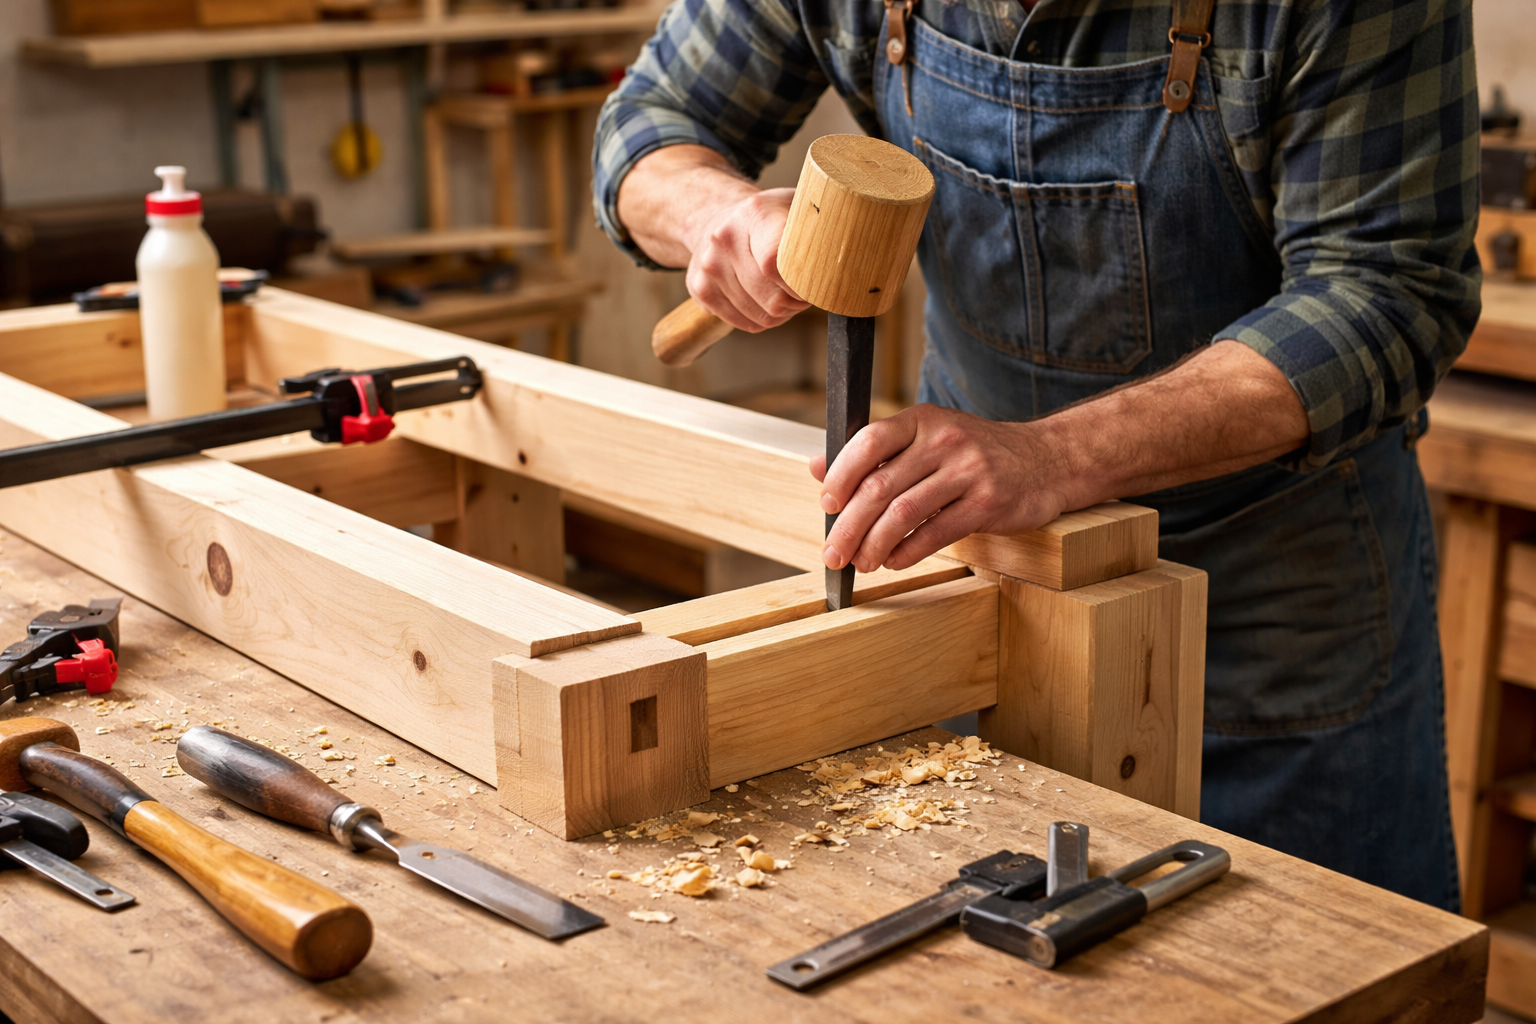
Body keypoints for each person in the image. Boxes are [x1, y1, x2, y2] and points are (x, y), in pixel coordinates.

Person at [593, 0, 1479, 909]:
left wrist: (1053, 457)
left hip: (1266, 602)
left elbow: (1387, 291)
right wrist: (716, 216)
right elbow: (647, 123)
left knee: (1320, 963)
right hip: (973, 566)